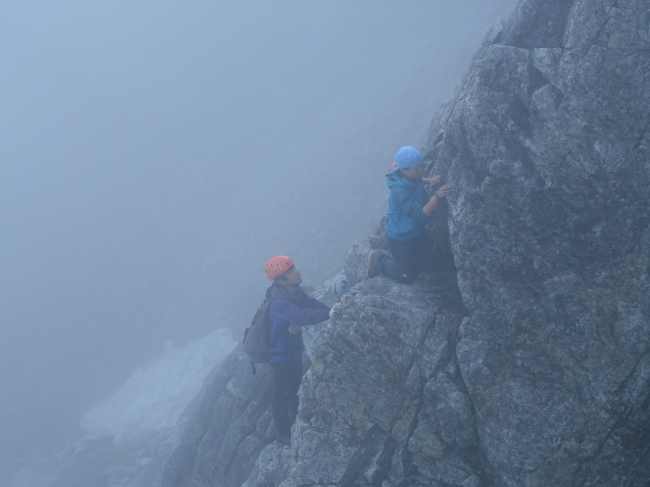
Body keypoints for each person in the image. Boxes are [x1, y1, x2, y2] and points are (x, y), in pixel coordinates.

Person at [264, 256, 332, 445]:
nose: (297, 271)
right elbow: (301, 315)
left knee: (294, 389)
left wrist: (333, 310)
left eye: (293, 267)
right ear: (281, 279)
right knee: (281, 395)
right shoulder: (279, 303)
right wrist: (329, 314)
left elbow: (311, 304)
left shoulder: (296, 293)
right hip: (279, 357)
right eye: (290, 270)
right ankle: (283, 434)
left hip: (292, 352)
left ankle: (296, 423)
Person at [367, 146, 451, 284]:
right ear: (403, 170)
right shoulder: (399, 191)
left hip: (416, 231)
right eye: (416, 168)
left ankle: (410, 259)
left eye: (421, 166)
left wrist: (429, 181)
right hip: (400, 238)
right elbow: (420, 214)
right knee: (406, 277)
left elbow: (416, 180)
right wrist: (437, 196)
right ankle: (379, 259)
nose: (421, 170)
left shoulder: (411, 176)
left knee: (429, 264)